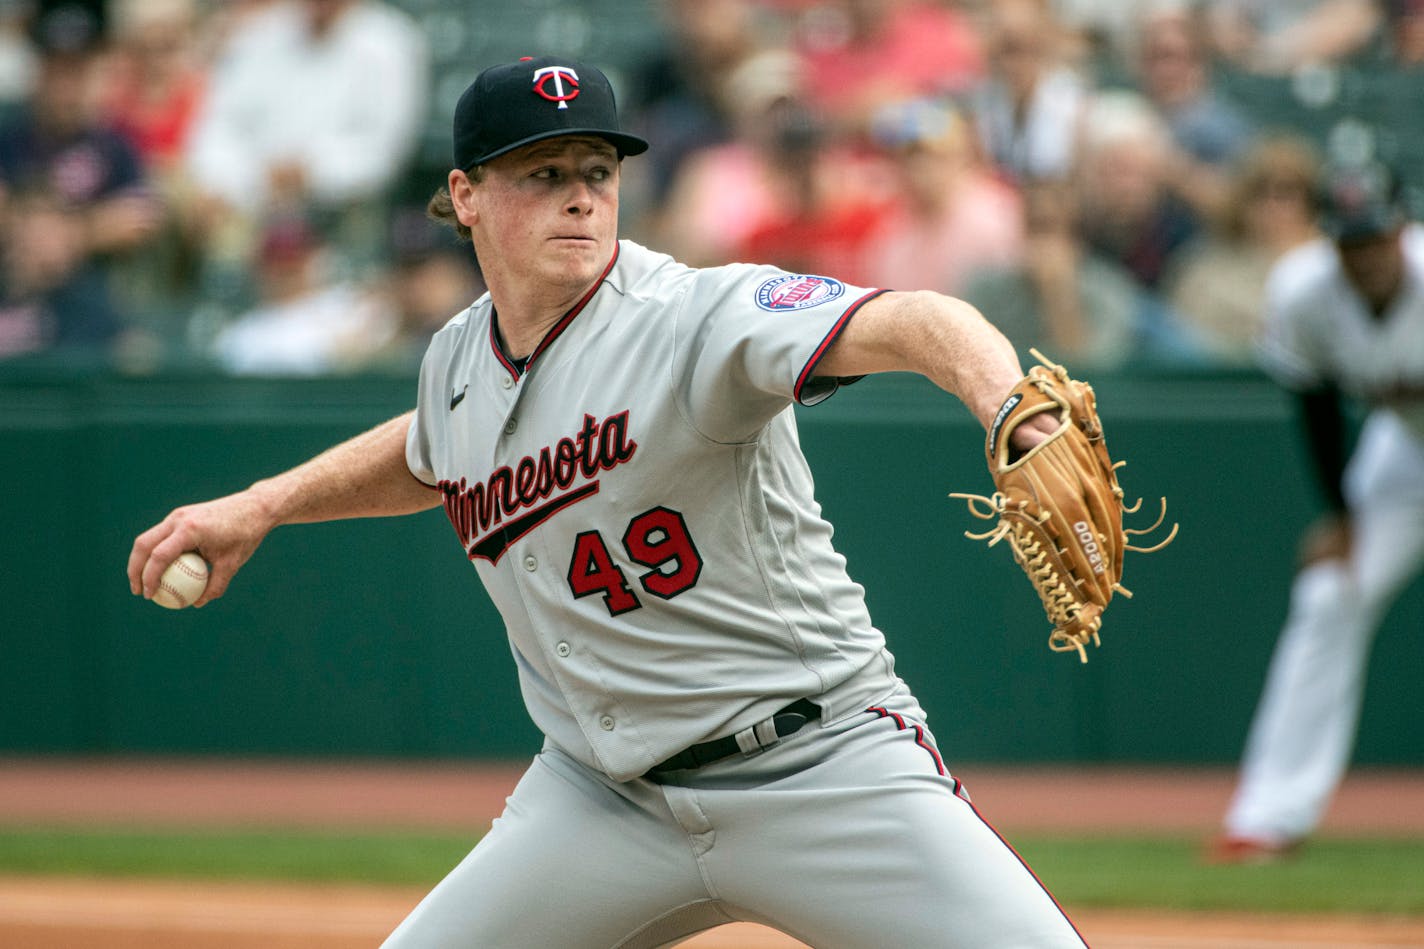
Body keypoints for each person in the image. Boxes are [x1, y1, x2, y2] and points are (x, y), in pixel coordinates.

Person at [127, 56, 1085, 947]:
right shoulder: (457, 359)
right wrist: (262, 504)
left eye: (597, 167)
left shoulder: (697, 317)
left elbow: (915, 318)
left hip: (821, 765)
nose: (580, 193)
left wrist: (1009, 403)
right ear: (464, 197)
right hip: (599, 800)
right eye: (541, 173)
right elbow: (428, 451)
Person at [1208, 160, 1424, 863]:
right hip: (1405, 458)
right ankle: (1267, 817)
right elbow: (1316, 400)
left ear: (1402, 229)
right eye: (1350, 241)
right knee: (1329, 595)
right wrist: (1341, 514)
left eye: (1376, 237)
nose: (1364, 255)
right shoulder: (1306, 291)